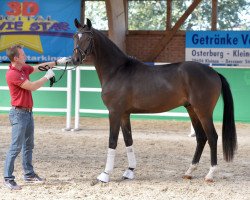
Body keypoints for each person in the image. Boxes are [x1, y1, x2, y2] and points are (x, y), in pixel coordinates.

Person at [3, 44, 71, 190]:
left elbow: (38, 67)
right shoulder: (13, 74)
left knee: (28, 145)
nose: (25, 56)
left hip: (27, 113)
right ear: (16, 58)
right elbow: (32, 86)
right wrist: (47, 77)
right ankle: (8, 178)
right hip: (19, 114)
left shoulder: (23, 68)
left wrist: (57, 62)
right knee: (15, 147)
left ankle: (29, 174)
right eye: (22, 54)